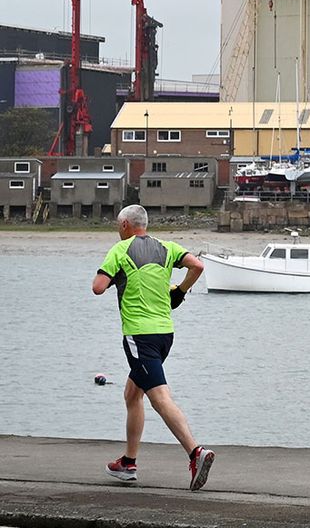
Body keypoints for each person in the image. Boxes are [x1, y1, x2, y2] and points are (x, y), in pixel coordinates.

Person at [92, 204, 214, 491]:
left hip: (139, 336)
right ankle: (128, 463)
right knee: (132, 394)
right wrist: (180, 291)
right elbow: (198, 266)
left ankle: (196, 452)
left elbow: (98, 287)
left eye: (117, 225)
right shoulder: (167, 247)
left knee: (159, 397)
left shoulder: (120, 251)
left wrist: (114, 280)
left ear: (124, 225)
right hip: (165, 336)